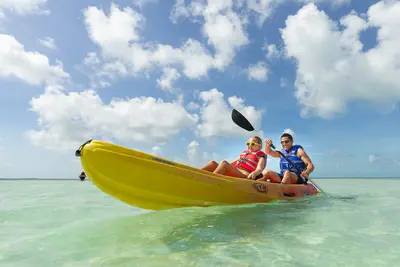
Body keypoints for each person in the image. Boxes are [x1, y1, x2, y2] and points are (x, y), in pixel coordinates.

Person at [201, 136, 267, 179]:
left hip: (244, 175)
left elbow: (260, 169)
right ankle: (194, 175)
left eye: (252, 144)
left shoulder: (260, 156)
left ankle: (210, 180)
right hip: (236, 171)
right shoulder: (245, 153)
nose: (249, 146)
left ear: (259, 146)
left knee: (224, 163)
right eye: (248, 144)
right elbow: (232, 163)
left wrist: (254, 173)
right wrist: (221, 167)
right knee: (212, 163)